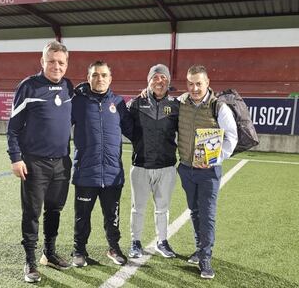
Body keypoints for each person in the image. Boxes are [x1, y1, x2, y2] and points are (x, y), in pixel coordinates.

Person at [7, 41, 73, 283]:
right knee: (32, 213)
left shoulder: (68, 86)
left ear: (66, 65)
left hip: (62, 163)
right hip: (34, 163)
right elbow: (13, 129)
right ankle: (30, 261)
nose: (56, 66)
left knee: (55, 210)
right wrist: (16, 158)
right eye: (52, 61)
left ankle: (50, 252)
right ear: (42, 62)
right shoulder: (28, 87)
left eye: (61, 62)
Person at [177, 64, 238, 279]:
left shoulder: (218, 107)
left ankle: (206, 258)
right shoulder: (181, 102)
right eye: (190, 84)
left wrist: (215, 159)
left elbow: (232, 137)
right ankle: (199, 248)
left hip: (209, 172)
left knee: (208, 215)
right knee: (194, 212)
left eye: (198, 84)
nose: (194, 88)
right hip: (185, 168)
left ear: (207, 83)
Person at [70, 60, 133, 267]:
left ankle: (114, 248)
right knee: (82, 218)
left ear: (110, 78)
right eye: (95, 75)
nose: (100, 79)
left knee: (112, 217)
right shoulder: (77, 102)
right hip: (86, 173)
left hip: (112, 174)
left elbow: (135, 132)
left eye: (104, 75)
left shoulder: (119, 102)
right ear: (88, 78)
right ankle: (79, 251)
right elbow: (58, 127)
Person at [127, 64, 179, 259]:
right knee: (137, 207)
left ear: (168, 82)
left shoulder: (176, 106)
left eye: (164, 78)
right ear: (148, 80)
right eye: (155, 77)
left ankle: (162, 241)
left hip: (166, 166)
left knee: (162, 208)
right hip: (141, 165)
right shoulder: (135, 104)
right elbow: (127, 129)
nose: (160, 81)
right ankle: (135, 242)